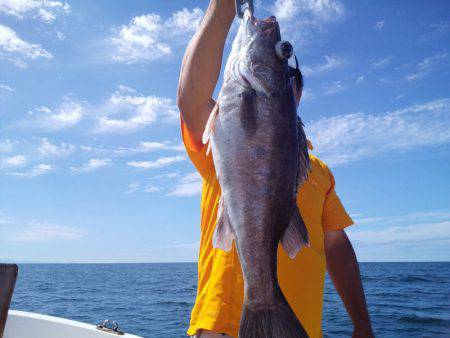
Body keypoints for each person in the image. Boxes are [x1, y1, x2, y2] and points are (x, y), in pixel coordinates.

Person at [177, 1, 374, 337]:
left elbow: (337, 246)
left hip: (300, 329)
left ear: (294, 94)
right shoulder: (222, 132)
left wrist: (362, 324)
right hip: (221, 329)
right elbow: (191, 98)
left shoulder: (319, 172)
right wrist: (224, 5)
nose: (286, 73)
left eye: (288, 73)